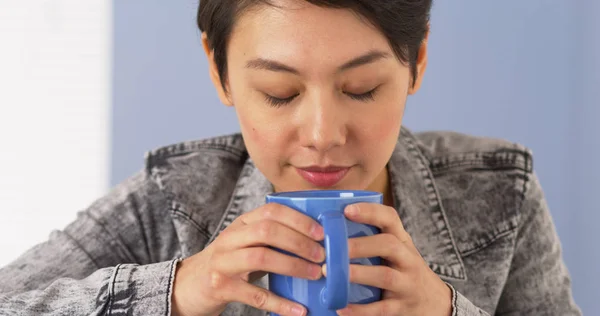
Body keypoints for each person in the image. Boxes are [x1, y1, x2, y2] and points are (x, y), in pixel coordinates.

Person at [0, 0, 581, 315]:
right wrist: (176, 293)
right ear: (219, 70)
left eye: (362, 89)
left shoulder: (500, 195)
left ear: (418, 60)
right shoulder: (169, 201)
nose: (323, 134)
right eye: (279, 94)